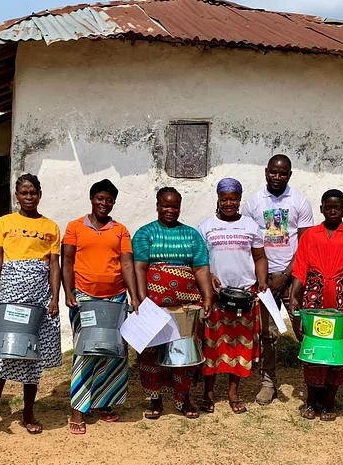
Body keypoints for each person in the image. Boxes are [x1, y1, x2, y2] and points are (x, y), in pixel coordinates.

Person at [0, 174, 62, 438]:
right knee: (3, 352)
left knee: (31, 353)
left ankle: (28, 413)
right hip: (12, 293)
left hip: (39, 294)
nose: (28, 196)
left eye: (33, 192)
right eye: (24, 192)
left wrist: (55, 298)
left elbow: (54, 265)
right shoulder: (4, 222)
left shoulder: (51, 226)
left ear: (39, 194)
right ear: (17, 195)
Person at [62, 179, 138, 435]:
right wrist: (67, 291)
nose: (104, 204)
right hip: (84, 298)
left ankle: (105, 402)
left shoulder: (120, 230)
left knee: (114, 353)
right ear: (92, 199)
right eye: (100, 198)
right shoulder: (74, 227)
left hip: (116, 298)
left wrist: (135, 296)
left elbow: (127, 264)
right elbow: (67, 261)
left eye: (109, 200)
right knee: (87, 351)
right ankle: (78, 408)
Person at [133, 187, 213, 419]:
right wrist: (141, 299)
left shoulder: (191, 235)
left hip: (186, 307)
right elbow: (140, 267)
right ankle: (155, 400)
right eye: (166, 205)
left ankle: (184, 399)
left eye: (175, 206)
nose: (170, 210)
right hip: (154, 305)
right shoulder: (145, 234)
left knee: (185, 355)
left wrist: (207, 296)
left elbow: (200, 267)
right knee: (151, 354)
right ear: (157, 205)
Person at [288, 189, 343, 421]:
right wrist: (294, 297)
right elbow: (300, 267)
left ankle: (330, 400)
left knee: (339, 349)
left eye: (338, 206)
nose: (333, 210)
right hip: (315, 297)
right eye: (328, 206)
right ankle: (311, 400)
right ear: (321, 208)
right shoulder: (310, 235)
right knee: (314, 347)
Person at [242, 154, 314, 405]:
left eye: (283, 173)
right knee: (267, 333)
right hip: (264, 280)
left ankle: (313, 381)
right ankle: (268, 381)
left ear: (289, 175)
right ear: (266, 172)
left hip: (293, 278)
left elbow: (305, 245)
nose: (277, 177)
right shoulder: (253, 202)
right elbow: (248, 242)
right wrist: (265, 276)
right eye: (273, 172)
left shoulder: (299, 201)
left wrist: (287, 275)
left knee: (303, 329)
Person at [197, 178, 268, 414]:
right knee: (212, 346)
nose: (229, 203)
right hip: (216, 296)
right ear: (218, 199)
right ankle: (208, 394)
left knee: (239, 346)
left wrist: (262, 281)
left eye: (233, 199)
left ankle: (233, 393)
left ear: (239, 199)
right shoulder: (206, 226)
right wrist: (210, 276)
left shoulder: (251, 226)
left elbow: (259, 257)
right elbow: (200, 261)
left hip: (244, 296)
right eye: (224, 199)